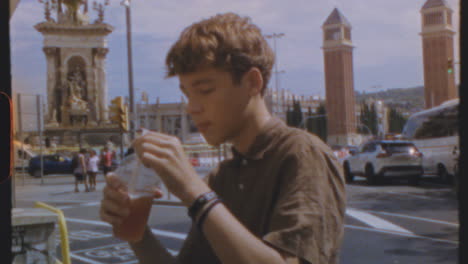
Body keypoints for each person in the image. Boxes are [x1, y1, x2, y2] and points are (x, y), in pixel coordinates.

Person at [100, 13, 346, 264]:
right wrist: (135, 230)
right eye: (186, 94)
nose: (192, 108)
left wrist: (195, 191)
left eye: (205, 90)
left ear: (252, 82)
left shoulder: (303, 154)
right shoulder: (223, 175)